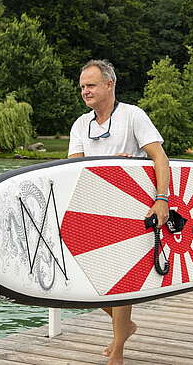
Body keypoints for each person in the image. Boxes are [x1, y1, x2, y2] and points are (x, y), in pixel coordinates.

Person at [68, 59, 169, 365]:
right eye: (83, 86)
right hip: (92, 209)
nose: (86, 91)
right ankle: (124, 326)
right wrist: (110, 164)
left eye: (91, 85)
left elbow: (159, 157)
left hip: (131, 210)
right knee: (80, 277)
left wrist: (161, 199)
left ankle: (118, 351)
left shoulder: (133, 116)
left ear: (109, 84)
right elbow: (73, 168)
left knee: (121, 280)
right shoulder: (80, 125)